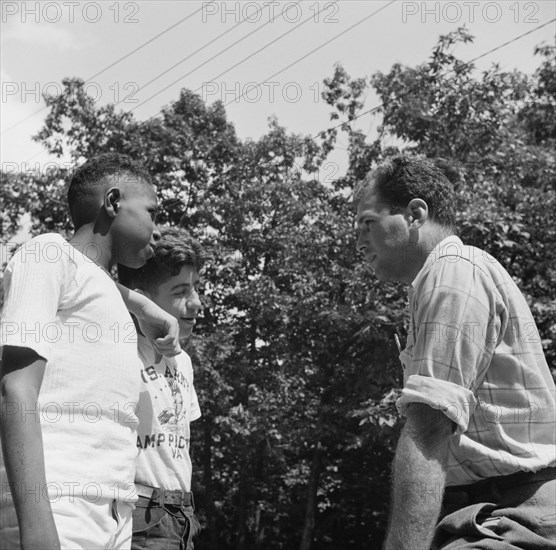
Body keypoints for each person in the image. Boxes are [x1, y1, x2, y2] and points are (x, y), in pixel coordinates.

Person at [354, 155, 556, 550]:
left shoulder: (453, 272)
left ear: (415, 213)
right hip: (485, 512)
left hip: (520, 511)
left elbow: (428, 432)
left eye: (367, 223)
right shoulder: (436, 281)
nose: (358, 240)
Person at [0, 153, 180, 550]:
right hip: (60, 502)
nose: (158, 229)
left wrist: (144, 306)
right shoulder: (46, 252)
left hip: (116, 508)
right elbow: (16, 391)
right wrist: (37, 527)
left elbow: (93, 278)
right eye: (152, 212)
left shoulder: (99, 287)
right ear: (114, 202)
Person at [118, 226, 205, 550]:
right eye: (180, 290)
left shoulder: (183, 361)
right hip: (141, 512)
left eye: (195, 287)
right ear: (141, 298)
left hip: (183, 516)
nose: (195, 302)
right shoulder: (119, 347)